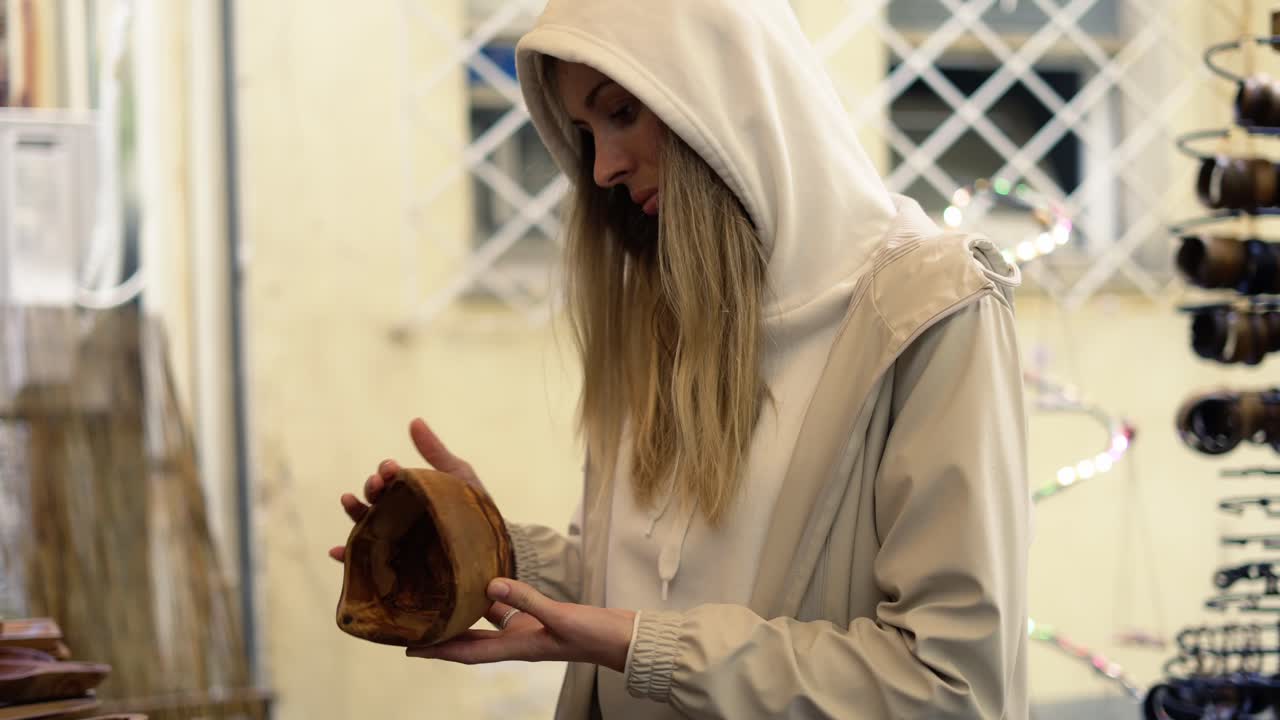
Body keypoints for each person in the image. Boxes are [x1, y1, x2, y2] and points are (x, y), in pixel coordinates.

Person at [330, 0, 1031, 717]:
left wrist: (648, 651)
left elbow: (952, 687)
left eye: (622, 112)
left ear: (727, 90)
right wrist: (487, 544)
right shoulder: (663, 308)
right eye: (584, 131)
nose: (601, 168)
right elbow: (643, 594)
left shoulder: (931, 310)